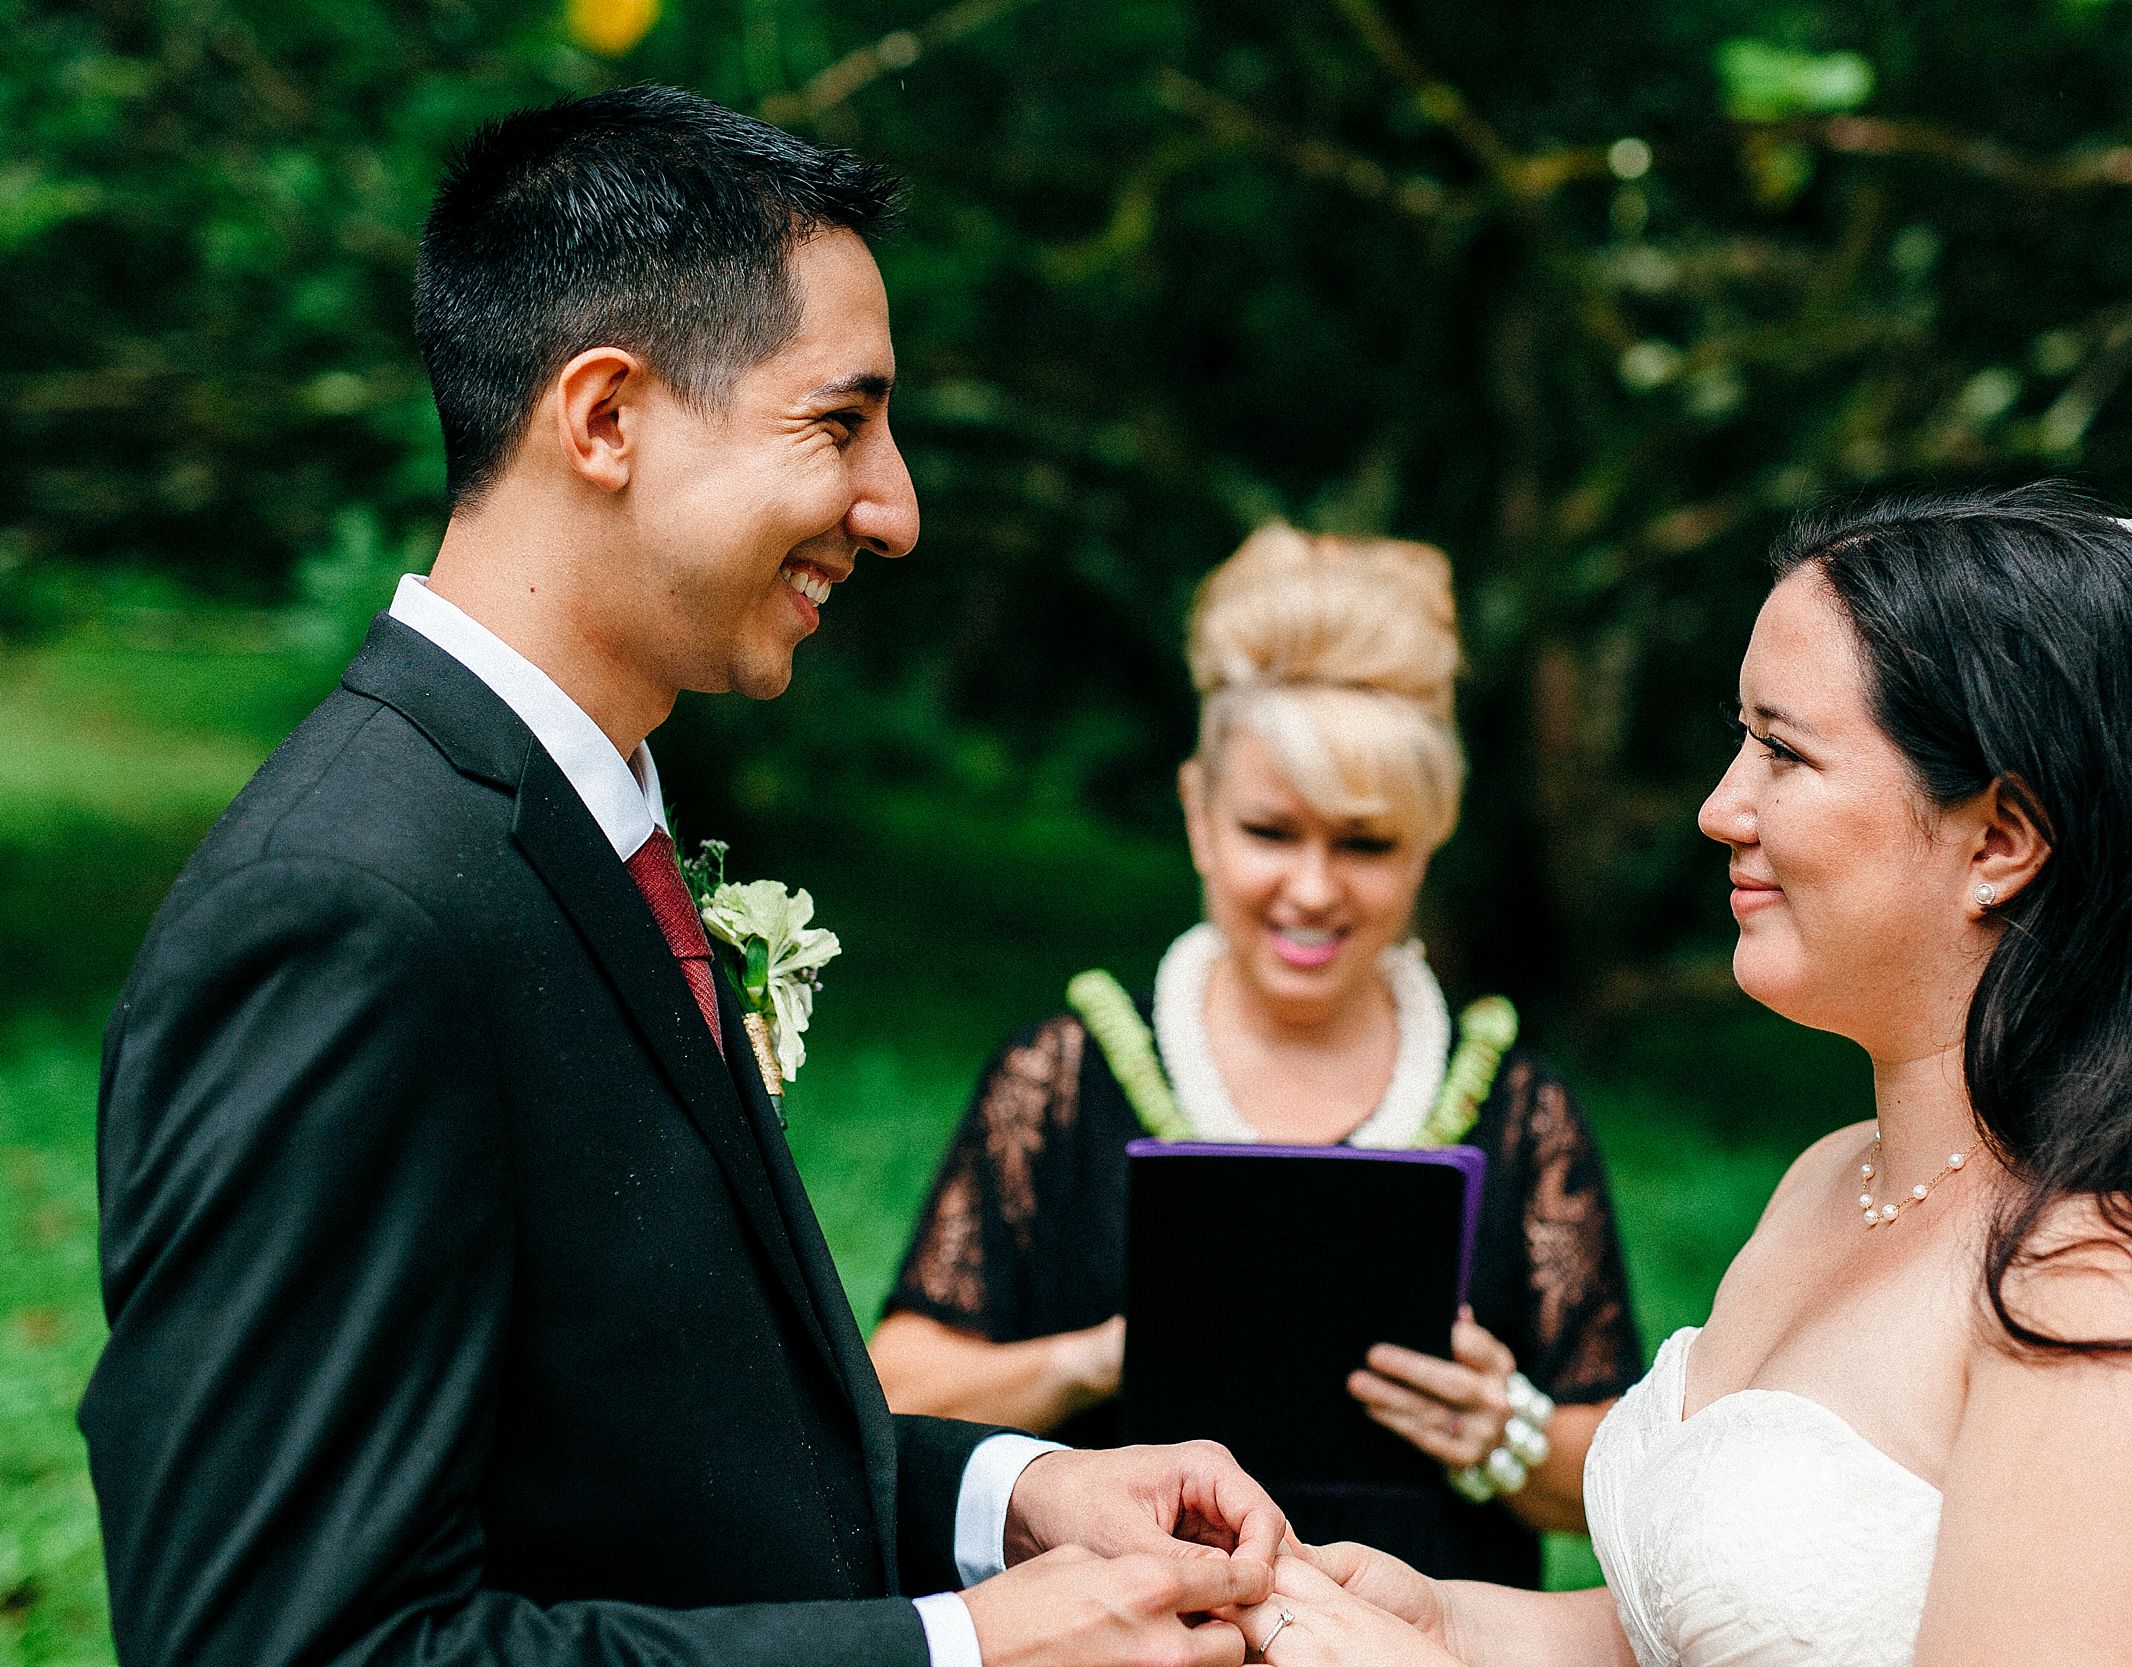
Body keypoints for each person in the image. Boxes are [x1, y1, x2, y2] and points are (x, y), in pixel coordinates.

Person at [79, 87, 1289, 1667]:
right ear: (603, 419)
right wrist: (964, 1650)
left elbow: (652, 1454)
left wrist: (1018, 1493)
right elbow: (292, 1640)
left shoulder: (578, 828)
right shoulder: (347, 912)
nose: (896, 507)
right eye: (839, 422)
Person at [1218, 487, 2132, 1666]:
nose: (1723, 807)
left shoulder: (2127, 1296)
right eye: (1741, 741)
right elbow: (1698, 1631)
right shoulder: (1832, 1178)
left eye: (1783, 751)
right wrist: (1437, 1616)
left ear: (1999, 836)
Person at [868, 524, 1645, 1585]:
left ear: (1432, 833)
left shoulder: (1520, 1111)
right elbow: (894, 1390)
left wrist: (1501, 1430)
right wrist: (1094, 1358)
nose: (1313, 889)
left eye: (1363, 842)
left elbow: (1622, 1482)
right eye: (1271, 832)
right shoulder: (1061, 1078)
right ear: (1197, 814)